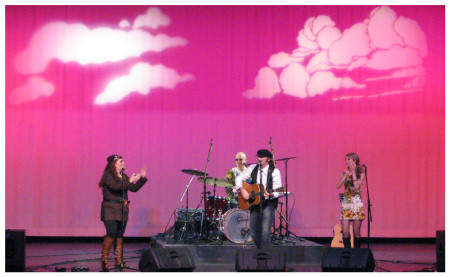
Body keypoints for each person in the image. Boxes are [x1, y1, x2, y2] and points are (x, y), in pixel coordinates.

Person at [98, 154, 147, 271]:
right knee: (111, 232)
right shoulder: (108, 176)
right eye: (121, 162)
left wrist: (142, 178)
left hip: (122, 209)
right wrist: (130, 180)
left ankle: (118, 261)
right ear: (114, 164)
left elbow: (133, 188)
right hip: (110, 208)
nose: (123, 164)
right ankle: (104, 260)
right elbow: (116, 187)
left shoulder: (123, 176)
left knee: (119, 235)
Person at [235, 149, 282, 249]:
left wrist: (271, 194)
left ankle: (265, 255)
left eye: (262, 157)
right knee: (253, 233)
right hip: (255, 203)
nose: (259, 158)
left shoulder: (274, 171)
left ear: (268, 159)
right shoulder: (253, 168)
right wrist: (242, 190)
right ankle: (260, 251)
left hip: (268, 203)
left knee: (265, 231)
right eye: (258, 156)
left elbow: (279, 190)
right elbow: (238, 178)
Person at [336, 152, 365, 248]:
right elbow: (338, 186)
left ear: (354, 161)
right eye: (345, 159)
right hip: (346, 203)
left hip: (356, 203)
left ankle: (356, 254)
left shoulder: (361, 173)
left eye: (348, 159)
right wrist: (345, 175)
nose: (346, 161)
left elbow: (357, 187)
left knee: (356, 232)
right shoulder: (344, 173)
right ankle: (347, 252)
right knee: (345, 232)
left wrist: (353, 173)